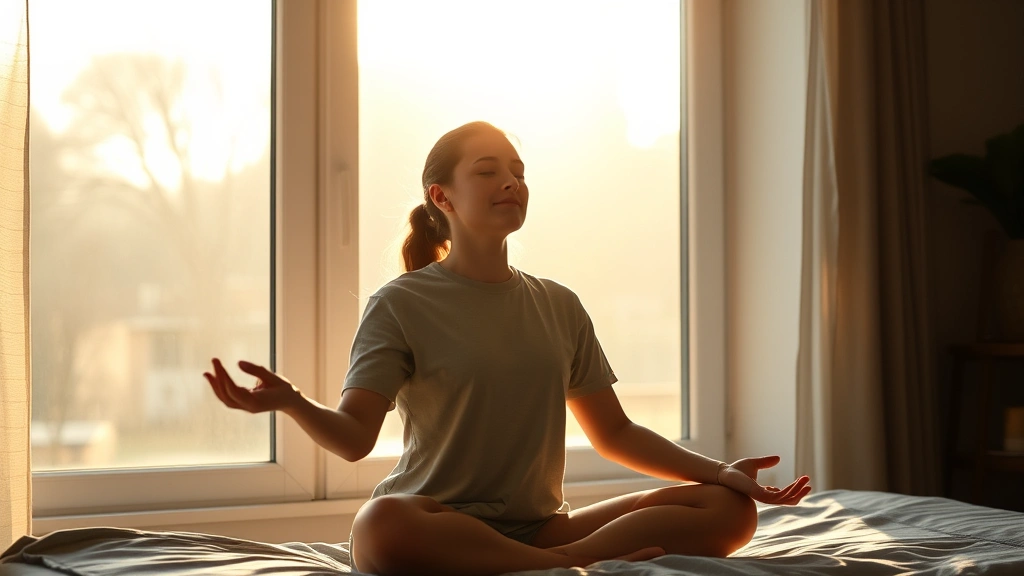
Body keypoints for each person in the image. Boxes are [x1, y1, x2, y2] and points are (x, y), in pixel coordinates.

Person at [204, 121, 811, 576]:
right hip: (435, 524)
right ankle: (567, 562)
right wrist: (292, 403)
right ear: (442, 198)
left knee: (730, 509)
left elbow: (615, 433)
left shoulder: (558, 303)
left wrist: (720, 471)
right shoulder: (401, 303)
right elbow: (356, 437)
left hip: (541, 529)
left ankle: (548, 560)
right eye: (489, 171)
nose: (512, 182)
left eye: (519, 171)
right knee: (381, 525)